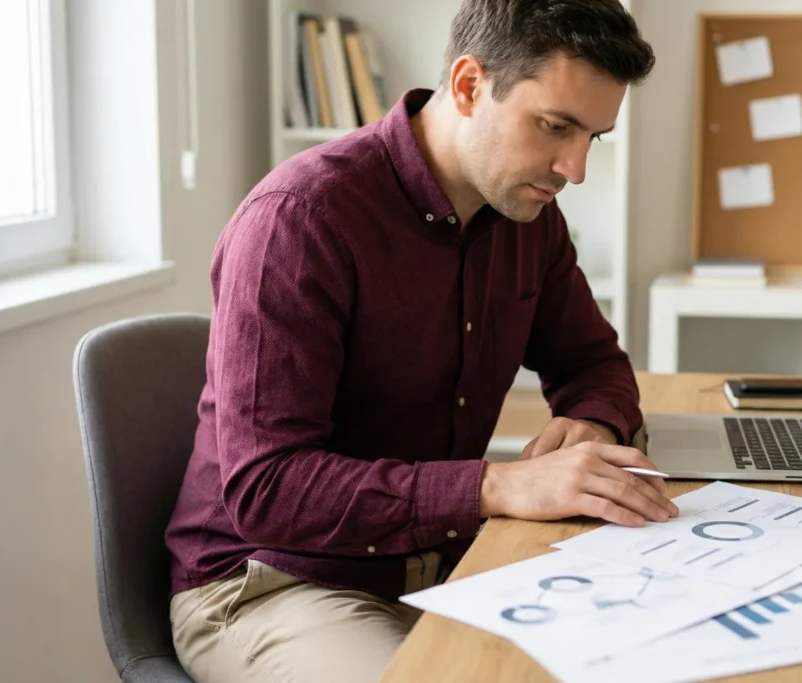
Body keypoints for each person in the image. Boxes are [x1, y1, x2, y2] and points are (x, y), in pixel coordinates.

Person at [165, 1, 678, 681]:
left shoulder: (527, 215)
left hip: (444, 567)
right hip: (274, 583)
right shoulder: (299, 220)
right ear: (469, 85)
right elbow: (268, 487)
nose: (574, 168)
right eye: (556, 126)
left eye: (594, 137)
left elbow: (592, 362)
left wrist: (590, 420)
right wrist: (494, 485)